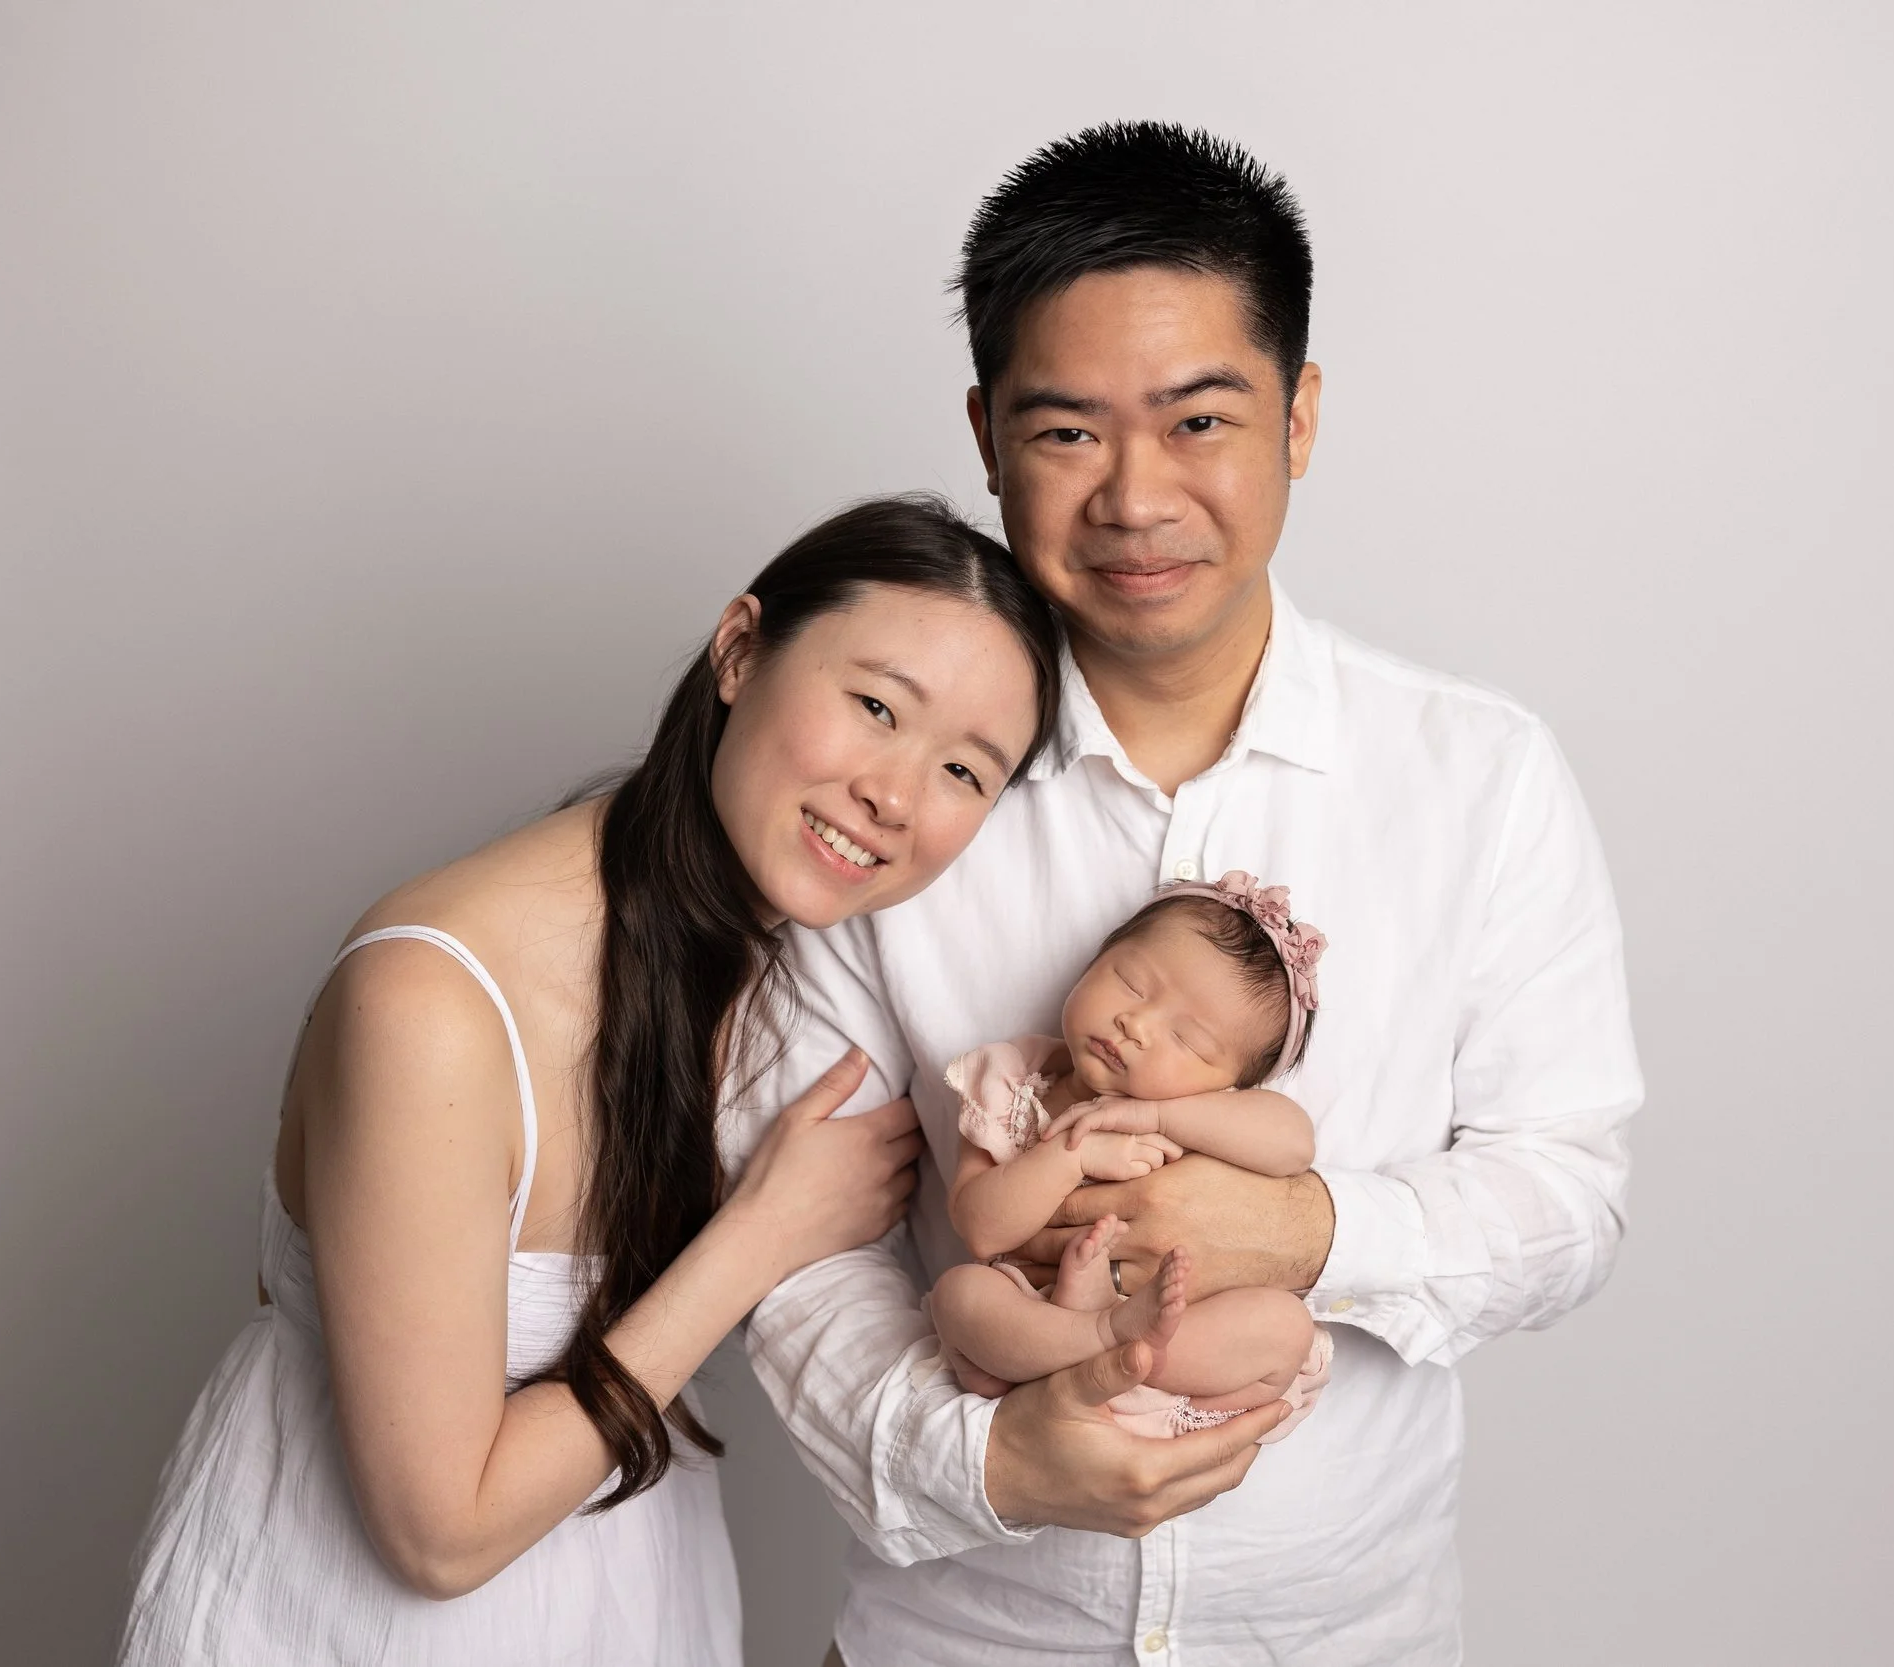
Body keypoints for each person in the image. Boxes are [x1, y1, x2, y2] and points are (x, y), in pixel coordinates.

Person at [732, 124, 1645, 1665]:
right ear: (986, 434)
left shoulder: (1477, 774)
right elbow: (795, 1241)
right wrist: (987, 1463)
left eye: (1199, 420)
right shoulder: (887, 796)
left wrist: (1307, 1226)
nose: (1136, 499)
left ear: (1297, 417)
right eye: (1069, 432)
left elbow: (1566, 1192)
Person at [118, 496, 1060, 1666]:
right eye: (875, 706)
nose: (897, 794)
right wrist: (760, 1234)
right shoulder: (430, 1004)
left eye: (965, 770)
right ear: (738, 649)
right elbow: (437, 1533)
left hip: (629, 1595)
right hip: (343, 1619)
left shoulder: (797, 983)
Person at [927, 873, 1332, 1440]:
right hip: (1041, 1318)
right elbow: (981, 1230)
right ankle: (1100, 1336)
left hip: (1169, 1335)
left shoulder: (1206, 1113)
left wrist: (1156, 1116)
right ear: (1095, 959)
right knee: (961, 1297)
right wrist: (1073, 1156)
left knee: (1283, 1329)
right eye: (1131, 983)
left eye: (1188, 1042)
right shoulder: (1014, 1082)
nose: (1136, 1024)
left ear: (1231, 1084)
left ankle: (1128, 1357)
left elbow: (1296, 1144)